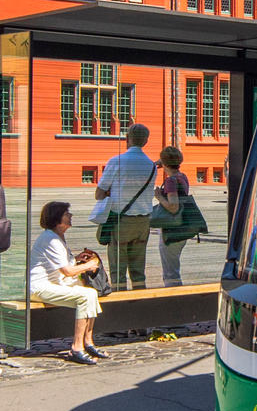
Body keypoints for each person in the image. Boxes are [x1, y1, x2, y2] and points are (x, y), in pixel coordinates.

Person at [28, 200, 106, 364]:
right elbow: (68, 272)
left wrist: (77, 259)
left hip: (53, 284)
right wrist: (89, 265)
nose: (70, 216)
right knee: (86, 295)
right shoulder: (51, 239)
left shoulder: (58, 237)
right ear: (57, 218)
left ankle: (88, 341)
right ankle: (77, 347)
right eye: (66, 214)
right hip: (40, 287)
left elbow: (64, 264)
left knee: (90, 292)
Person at [93, 123, 159, 291]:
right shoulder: (151, 165)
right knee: (138, 268)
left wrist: (111, 193)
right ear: (145, 141)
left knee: (118, 267)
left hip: (121, 220)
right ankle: (139, 299)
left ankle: (120, 300)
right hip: (143, 221)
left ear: (127, 138)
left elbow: (99, 194)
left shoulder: (116, 161)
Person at [153, 148, 205, 287]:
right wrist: (161, 162)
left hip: (172, 229)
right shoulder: (182, 177)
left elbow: (173, 207)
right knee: (173, 265)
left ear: (164, 163)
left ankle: (173, 295)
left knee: (170, 271)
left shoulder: (170, 181)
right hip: (182, 227)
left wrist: (159, 197)